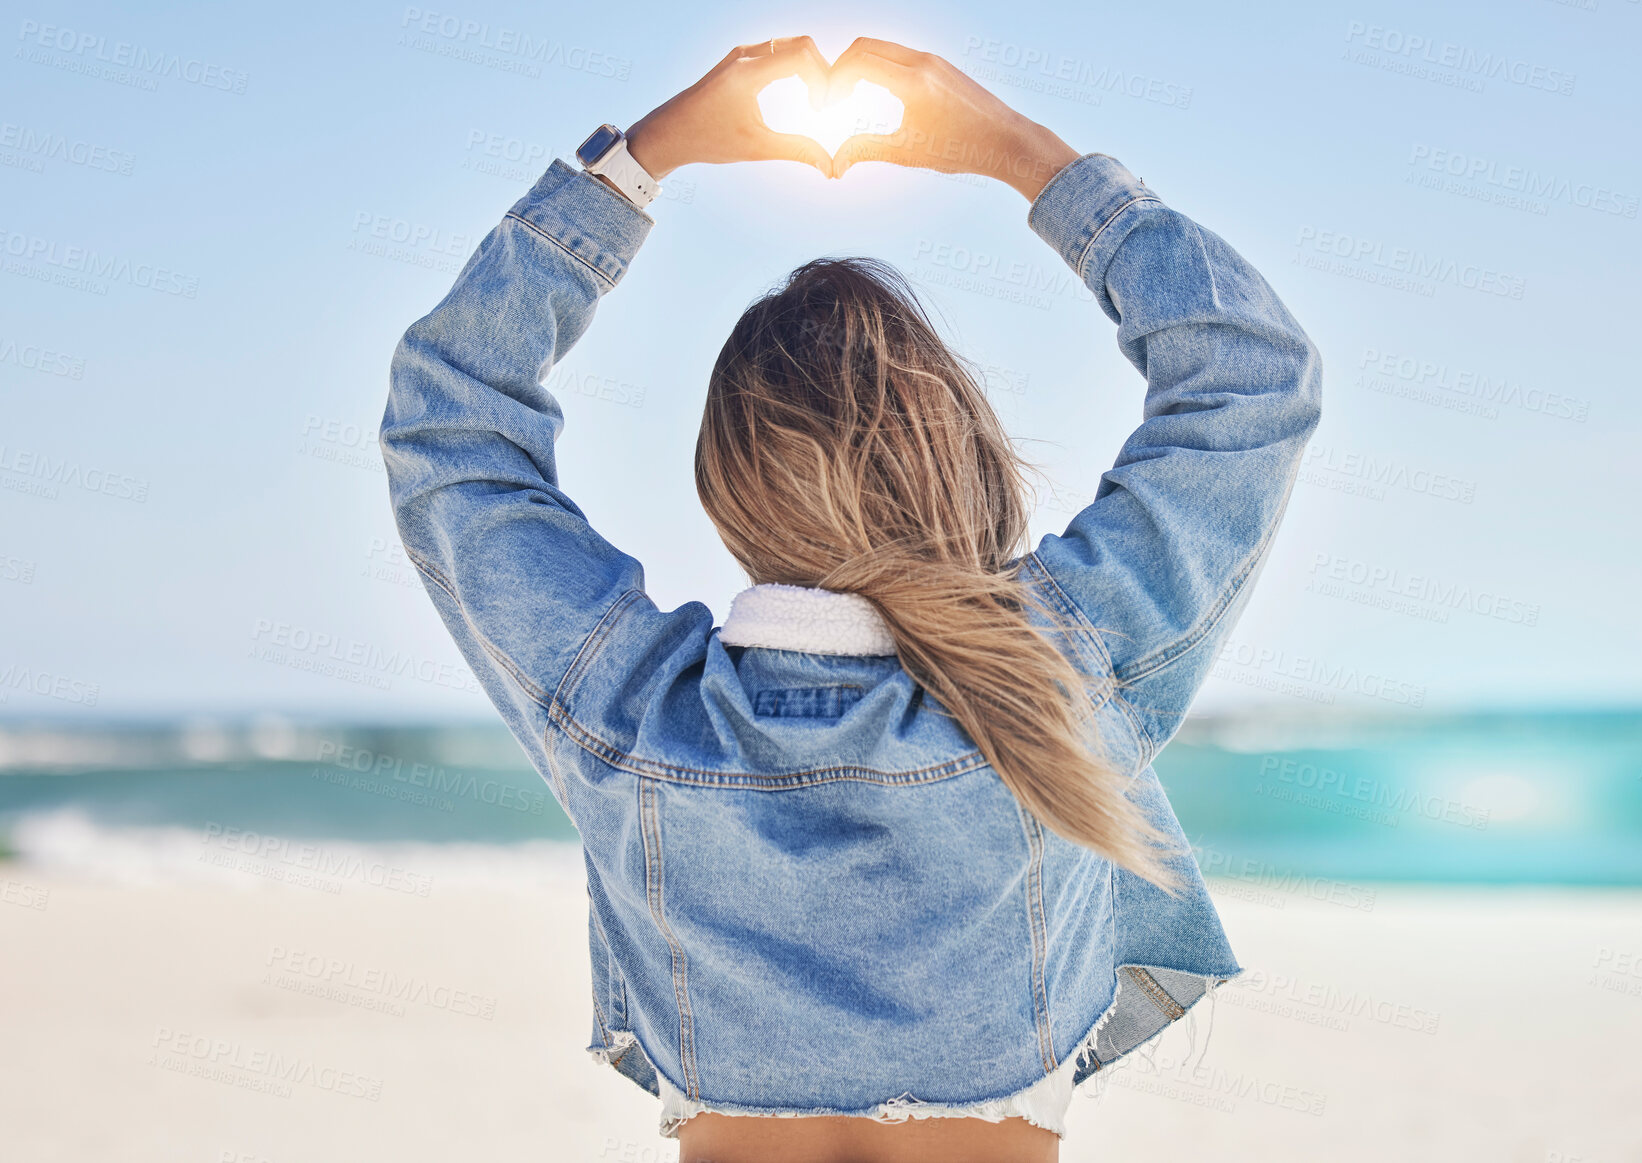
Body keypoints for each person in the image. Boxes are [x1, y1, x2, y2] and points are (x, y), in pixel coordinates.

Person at [380, 35, 1322, 1163]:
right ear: (965, 462)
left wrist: (641, 161)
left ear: (725, 485)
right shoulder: (1060, 665)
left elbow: (450, 423)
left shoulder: (630, 708)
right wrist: (1017, 153)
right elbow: (1248, 372)